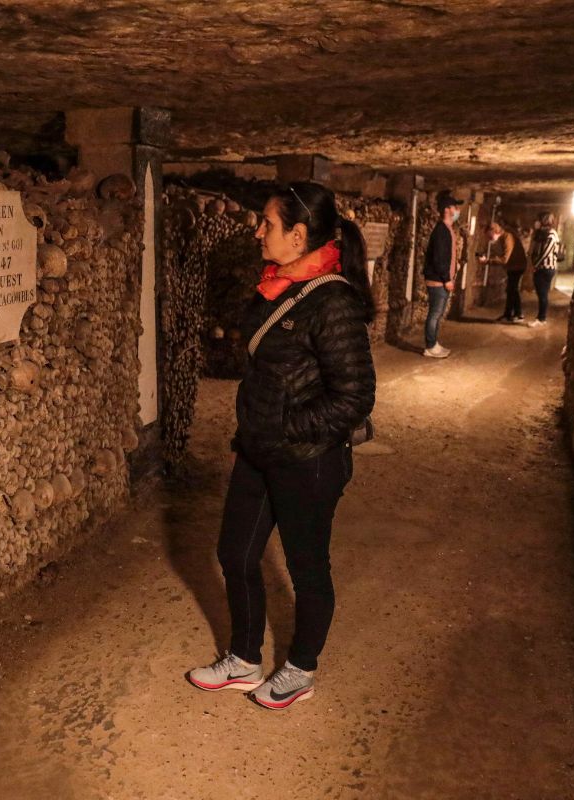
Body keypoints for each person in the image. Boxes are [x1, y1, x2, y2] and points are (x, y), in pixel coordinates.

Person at [186, 182, 376, 710]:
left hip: (307, 460)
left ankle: (300, 669)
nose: (257, 232)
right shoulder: (276, 287)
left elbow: (356, 395)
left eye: (267, 224)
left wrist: (287, 427)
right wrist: (251, 434)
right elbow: (265, 376)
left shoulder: (332, 301)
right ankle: (244, 660)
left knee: (307, 568)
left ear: (298, 235)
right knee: (237, 552)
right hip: (259, 450)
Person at [422, 190, 463, 358]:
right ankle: (430, 346)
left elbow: (446, 255)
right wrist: (447, 279)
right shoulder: (441, 231)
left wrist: (456, 264)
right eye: (455, 207)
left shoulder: (447, 229)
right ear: (447, 209)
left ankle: (434, 343)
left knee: (438, 315)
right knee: (435, 314)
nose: (457, 211)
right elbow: (439, 258)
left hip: (441, 279)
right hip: (438, 281)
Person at [480, 218, 528, 323]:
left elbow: (505, 259)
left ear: (494, 231)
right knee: (511, 290)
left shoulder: (507, 237)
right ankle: (512, 314)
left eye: (489, 236)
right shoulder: (504, 238)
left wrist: (488, 261)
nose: (489, 239)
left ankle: (516, 314)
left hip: (517, 267)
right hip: (514, 266)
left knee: (512, 290)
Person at [527, 212, 561, 327]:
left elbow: (545, 252)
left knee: (542, 293)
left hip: (546, 268)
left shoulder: (552, 234)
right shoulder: (543, 234)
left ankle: (541, 318)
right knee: (541, 293)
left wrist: (535, 265)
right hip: (542, 267)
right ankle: (541, 317)